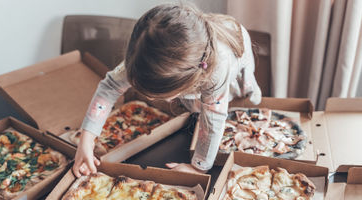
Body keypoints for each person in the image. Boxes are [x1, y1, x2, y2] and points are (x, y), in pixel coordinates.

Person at [73, 3, 262, 177]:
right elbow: (111, 86)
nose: (148, 98)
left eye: (157, 95)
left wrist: (198, 167)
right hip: (199, 56)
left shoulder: (219, 68)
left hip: (236, 51)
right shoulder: (146, 56)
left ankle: (248, 89)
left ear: (187, 83)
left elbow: (213, 119)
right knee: (199, 106)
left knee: (243, 93)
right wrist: (86, 139)